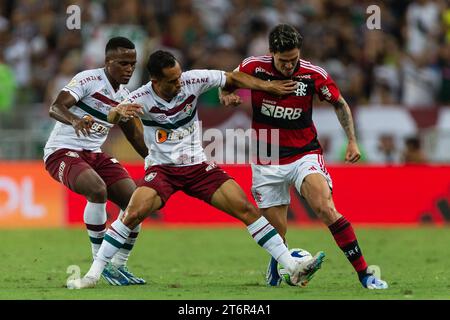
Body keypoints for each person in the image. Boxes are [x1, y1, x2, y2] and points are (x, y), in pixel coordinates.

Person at [66, 50, 326, 289]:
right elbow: (113, 115)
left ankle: (293, 267)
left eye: (179, 76)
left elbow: (232, 77)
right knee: (132, 213)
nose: (179, 83)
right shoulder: (140, 98)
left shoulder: (193, 80)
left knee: (246, 209)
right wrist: (118, 112)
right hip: (163, 170)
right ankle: (92, 275)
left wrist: (268, 86)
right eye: (172, 80)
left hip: (199, 168)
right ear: (155, 82)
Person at [220, 24, 388, 289]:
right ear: (271, 53)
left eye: (293, 59)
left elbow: (339, 103)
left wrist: (353, 141)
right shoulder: (253, 66)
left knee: (325, 208)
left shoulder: (312, 74)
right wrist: (226, 95)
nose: (289, 66)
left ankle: (365, 273)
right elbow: (227, 82)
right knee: (277, 232)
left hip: (304, 154)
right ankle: (278, 267)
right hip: (267, 158)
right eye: (283, 60)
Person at [44, 37, 148, 286]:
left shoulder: (124, 96)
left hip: (94, 154)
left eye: (132, 64)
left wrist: (155, 160)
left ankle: (117, 266)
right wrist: (75, 120)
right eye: (123, 63)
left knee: (136, 204)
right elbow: (55, 107)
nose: (129, 69)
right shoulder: (88, 80)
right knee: (97, 189)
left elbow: (134, 134)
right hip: (62, 151)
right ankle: (97, 263)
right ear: (108, 61)